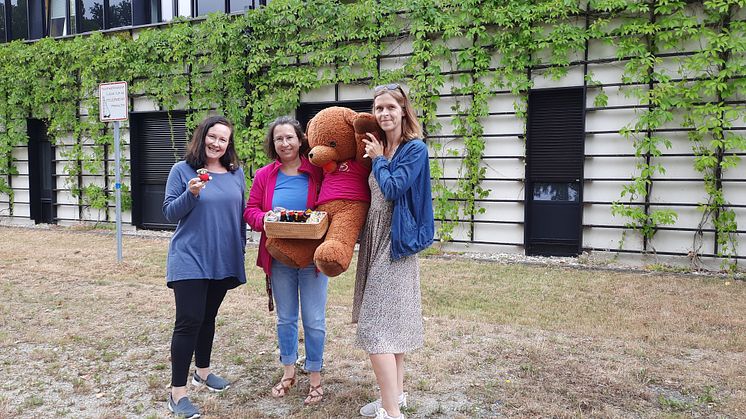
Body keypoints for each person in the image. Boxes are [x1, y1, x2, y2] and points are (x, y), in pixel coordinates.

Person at [354, 84, 434, 419]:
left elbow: (392, 189)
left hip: (396, 241)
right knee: (393, 326)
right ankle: (396, 396)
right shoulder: (379, 146)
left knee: (375, 329)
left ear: (404, 110)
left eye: (390, 107)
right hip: (376, 238)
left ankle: (390, 412)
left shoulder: (414, 149)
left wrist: (378, 161)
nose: (384, 114)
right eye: (378, 108)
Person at [162, 115, 246, 419]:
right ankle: (177, 393)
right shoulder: (182, 170)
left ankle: (204, 372)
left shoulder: (236, 173)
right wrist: (192, 194)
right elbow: (170, 212)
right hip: (190, 256)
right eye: (212, 136)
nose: (217, 143)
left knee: (208, 317)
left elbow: (240, 215)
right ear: (202, 136)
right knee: (188, 321)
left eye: (223, 139)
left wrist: (240, 252)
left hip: (222, 257)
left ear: (228, 144)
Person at [243, 116, 328, 405]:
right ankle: (289, 371)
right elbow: (250, 210)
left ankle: (315, 375)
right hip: (278, 258)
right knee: (286, 318)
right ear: (273, 143)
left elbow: (331, 205)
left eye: (289, 137)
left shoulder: (317, 171)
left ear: (301, 139)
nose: (285, 143)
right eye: (279, 138)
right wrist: (265, 217)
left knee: (314, 320)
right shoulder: (265, 175)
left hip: (311, 259)